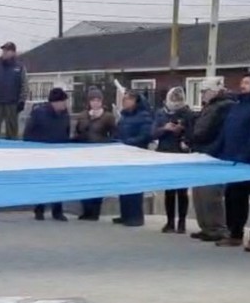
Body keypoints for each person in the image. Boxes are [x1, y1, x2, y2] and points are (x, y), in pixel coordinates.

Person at [210, 72, 250, 250]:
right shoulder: (238, 105)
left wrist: (248, 155)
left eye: (247, 82)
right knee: (234, 198)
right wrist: (216, 151)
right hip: (233, 160)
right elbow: (227, 129)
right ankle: (235, 233)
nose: (242, 85)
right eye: (242, 82)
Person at [188, 79, 234, 241]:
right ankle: (206, 227)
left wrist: (191, 137)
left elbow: (204, 131)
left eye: (204, 91)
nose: (202, 95)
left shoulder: (222, 107)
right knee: (199, 193)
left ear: (213, 91)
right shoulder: (211, 107)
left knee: (210, 194)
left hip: (213, 153)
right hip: (203, 152)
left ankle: (216, 227)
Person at [151, 87, 195, 234]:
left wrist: (182, 131)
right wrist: (165, 128)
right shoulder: (161, 113)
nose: (175, 102)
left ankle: (181, 222)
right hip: (165, 154)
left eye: (178, 99)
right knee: (169, 190)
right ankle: (170, 221)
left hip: (182, 154)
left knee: (182, 191)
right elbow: (153, 133)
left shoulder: (188, 113)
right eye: (173, 98)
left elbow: (193, 133)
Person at [25, 88, 72, 221]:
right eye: (63, 102)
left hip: (58, 154)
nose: (65, 104)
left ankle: (58, 211)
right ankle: (39, 210)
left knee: (58, 183)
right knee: (42, 183)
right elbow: (28, 132)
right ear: (55, 102)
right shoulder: (39, 113)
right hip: (41, 154)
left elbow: (67, 132)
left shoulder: (65, 115)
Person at [73, 89, 118, 221]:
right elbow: (77, 132)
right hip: (84, 153)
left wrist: (107, 144)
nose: (95, 103)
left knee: (97, 183)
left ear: (101, 102)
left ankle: (95, 211)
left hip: (100, 154)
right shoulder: (83, 116)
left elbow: (114, 134)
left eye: (98, 100)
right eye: (93, 100)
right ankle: (86, 210)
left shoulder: (108, 117)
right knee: (84, 182)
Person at [115, 92, 153, 227]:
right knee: (123, 185)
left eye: (129, 99)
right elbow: (118, 131)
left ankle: (136, 217)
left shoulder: (144, 116)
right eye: (124, 99)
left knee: (134, 186)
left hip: (137, 155)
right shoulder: (124, 116)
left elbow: (145, 136)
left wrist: (128, 142)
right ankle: (125, 215)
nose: (125, 101)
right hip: (123, 155)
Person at [0, 42, 28, 139]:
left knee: (12, 130)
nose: (4, 53)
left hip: (12, 104)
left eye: (7, 50)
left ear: (13, 52)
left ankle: (12, 149)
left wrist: (22, 101)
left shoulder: (20, 67)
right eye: (3, 50)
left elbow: (24, 85)